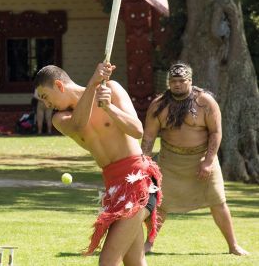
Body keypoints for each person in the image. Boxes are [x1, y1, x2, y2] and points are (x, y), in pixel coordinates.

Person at [34, 62, 162, 266]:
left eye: (45, 97)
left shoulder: (111, 89)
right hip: (114, 190)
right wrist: (92, 85)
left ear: (59, 85)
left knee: (108, 261)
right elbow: (78, 124)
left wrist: (110, 108)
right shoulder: (61, 118)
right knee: (134, 261)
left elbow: (137, 130)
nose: (46, 105)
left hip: (139, 181)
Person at [141, 62, 249, 256]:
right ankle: (148, 244)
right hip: (169, 161)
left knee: (218, 201)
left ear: (190, 81)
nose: (177, 84)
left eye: (182, 81)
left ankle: (233, 246)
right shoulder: (158, 105)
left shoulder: (205, 102)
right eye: (173, 81)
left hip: (202, 159)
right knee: (160, 204)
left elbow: (216, 133)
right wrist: (145, 162)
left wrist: (208, 161)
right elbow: (149, 136)